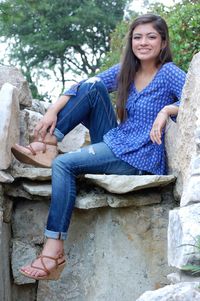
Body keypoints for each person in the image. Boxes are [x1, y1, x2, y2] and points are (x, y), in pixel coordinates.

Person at [11, 13, 186, 280]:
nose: (143, 42)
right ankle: (49, 141)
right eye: (137, 37)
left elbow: (194, 98)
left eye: (151, 37)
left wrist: (167, 110)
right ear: (131, 42)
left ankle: (53, 250)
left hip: (139, 156)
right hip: (118, 140)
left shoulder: (169, 73)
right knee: (93, 87)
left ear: (163, 43)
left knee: (63, 164)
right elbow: (84, 85)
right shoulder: (128, 71)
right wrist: (52, 110)